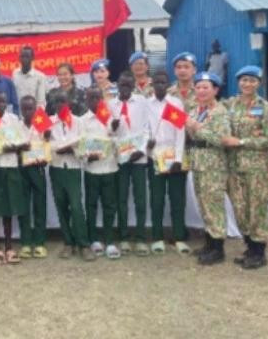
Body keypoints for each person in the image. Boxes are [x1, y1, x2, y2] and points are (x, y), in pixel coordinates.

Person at [224, 65, 268, 270]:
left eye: (252, 80)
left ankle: (259, 252)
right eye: (244, 80)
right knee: (240, 207)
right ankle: (249, 246)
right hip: (234, 167)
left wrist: (243, 142)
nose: (247, 84)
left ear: (259, 83)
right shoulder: (230, 105)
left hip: (256, 167)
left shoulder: (266, 107)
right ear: (238, 82)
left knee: (258, 208)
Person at [184, 72, 230, 266]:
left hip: (213, 164)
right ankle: (209, 243)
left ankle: (218, 248)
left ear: (215, 90)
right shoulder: (195, 110)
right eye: (199, 87)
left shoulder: (220, 112)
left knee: (214, 205)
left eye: (206, 87)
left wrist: (197, 127)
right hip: (198, 163)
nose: (201, 91)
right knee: (203, 203)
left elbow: (222, 139)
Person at [145, 70, 190, 255]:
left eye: (163, 82)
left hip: (175, 155)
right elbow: (144, 128)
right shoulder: (146, 105)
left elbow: (181, 132)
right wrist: (149, 144)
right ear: (152, 84)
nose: (160, 86)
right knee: (157, 199)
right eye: (156, 82)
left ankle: (179, 237)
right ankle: (157, 237)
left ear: (168, 84)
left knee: (177, 198)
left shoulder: (176, 103)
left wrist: (178, 159)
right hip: (155, 156)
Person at [0, 90, 27, 264]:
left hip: (10, 166)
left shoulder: (14, 119)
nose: (1, 105)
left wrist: (11, 147)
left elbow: (21, 142)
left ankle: (9, 246)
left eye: (3, 102)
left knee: (8, 208)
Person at [47, 93, 93, 260]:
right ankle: (68, 242)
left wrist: (72, 149)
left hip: (73, 167)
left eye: (63, 101)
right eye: (57, 102)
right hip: (56, 167)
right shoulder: (49, 122)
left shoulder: (79, 122)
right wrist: (57, 147)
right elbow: (45, 144)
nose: (60, 105)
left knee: (76, 206)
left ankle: (84, 244)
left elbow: (85, 144)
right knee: (61, 205)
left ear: (69, 104)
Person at [109, 72, 151, 256]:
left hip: (139, 157)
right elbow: (106, 132)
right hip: (120, 159)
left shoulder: (142, 102)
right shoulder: (110, 104)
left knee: (140, 198)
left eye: (129, 85)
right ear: (117, 85)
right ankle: (124, 236)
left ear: (133, 85)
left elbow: (148, 127)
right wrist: (113, 128)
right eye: (122, 85)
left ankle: (141, 237)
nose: (125, 88)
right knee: (121, 198)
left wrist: (142, 150)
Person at [80, 86, 120, 259]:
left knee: (110, 206)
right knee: (91, 205)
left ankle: (110, 240)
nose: (95, 101)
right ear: (86, 100)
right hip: (91, 170)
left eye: (98, 97)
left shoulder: (111, 119)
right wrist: (86, 157)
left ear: (102, 99)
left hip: (110, 167)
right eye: (91, 98)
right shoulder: (82, 121)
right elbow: (80, 146)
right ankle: (93, 239)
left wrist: (114, 133)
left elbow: (119, 141)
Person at [17, 95, 50, 260]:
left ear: (36, 109)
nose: (28, 111)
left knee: (39, 206)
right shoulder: (15, 125)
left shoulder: (42, 124)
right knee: (23, 207)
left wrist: (45, 158)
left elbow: (47, 146)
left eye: (31, 108)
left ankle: (39, 242)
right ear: (20, 109)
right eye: (25, 108)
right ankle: (25, 242)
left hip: (37, 169)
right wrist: (19, 148)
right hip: (22, 169)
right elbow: (10, 145)